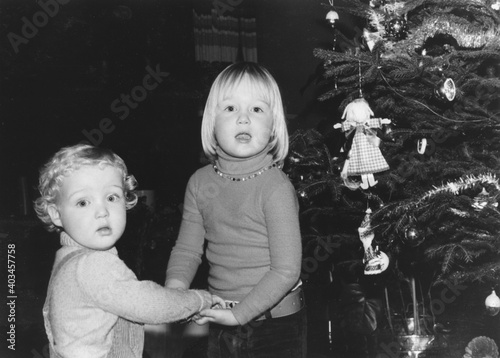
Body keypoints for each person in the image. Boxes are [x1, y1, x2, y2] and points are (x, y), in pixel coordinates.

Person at [165, 62, 306, 358]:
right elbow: (188, 250)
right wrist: (174, 294)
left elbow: (286, 270)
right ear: (211, 123)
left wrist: (239, 315)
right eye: (230, 109)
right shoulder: (199, 183)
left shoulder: (275, 187)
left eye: (257, 109)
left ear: (273, 127)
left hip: (275, 326)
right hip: (222, 318)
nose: (243, 119)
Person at [34, 143, 223, 358]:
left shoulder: (66, 259)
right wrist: (198, 300)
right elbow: (149, 305)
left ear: (126, 200)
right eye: (83, 202)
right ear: (56, 214)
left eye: (112, 197)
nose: (102, 211)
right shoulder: (93, 265)